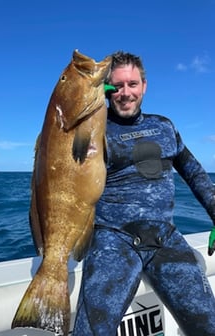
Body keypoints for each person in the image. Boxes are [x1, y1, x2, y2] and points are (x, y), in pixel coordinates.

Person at [72, 51, 215, 336]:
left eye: (133, 84)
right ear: (107, 88)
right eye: (118, 85)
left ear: (144, 86)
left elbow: (195, 174)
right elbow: (63, 176)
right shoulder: (92, 131)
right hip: (112, 240)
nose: (126, 93)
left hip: (166, 239)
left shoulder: (164, 127)